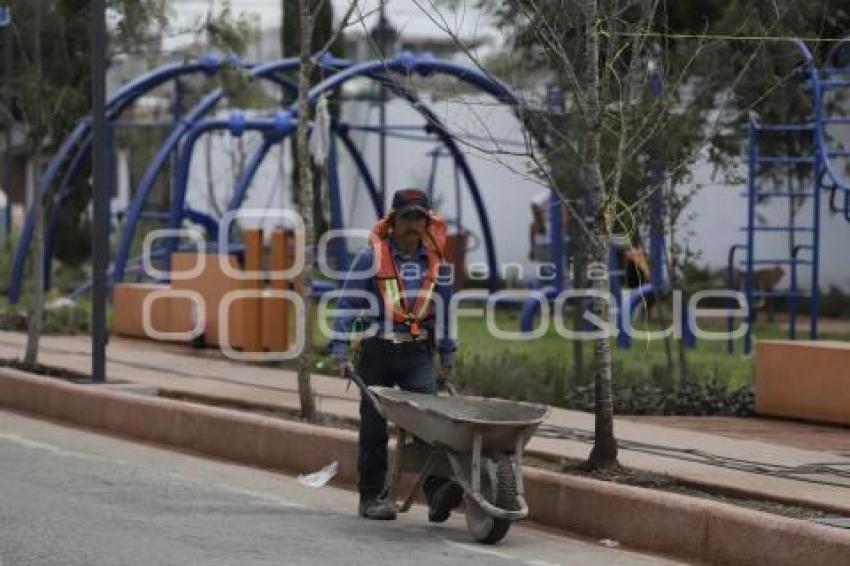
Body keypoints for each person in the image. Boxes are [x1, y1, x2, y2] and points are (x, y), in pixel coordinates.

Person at [331, 188, 461, 521]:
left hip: (417, 353)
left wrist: (447, 356)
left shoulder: (436, 264)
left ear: (427, 222)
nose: (413, 225)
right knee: (374, 428)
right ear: (393, 220)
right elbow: (347, 304)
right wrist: (341, 350)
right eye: (407, 218)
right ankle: (371, 497)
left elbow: (445, 313)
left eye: (420, 218)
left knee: (429, 425)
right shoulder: (371, 258)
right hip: (376, 351)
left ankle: (436, 495)